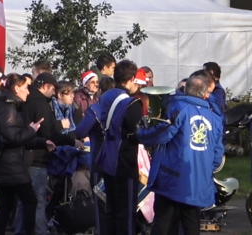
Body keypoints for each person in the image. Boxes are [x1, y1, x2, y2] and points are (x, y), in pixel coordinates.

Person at [137, 75, 223, 235]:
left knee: (163, 223)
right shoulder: (215, 119)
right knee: (192, 225)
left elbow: (162, 134)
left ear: (185, 89)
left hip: (172, 178)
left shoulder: (178, 108)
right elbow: (217, 156)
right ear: (206, 94)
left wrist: (141, 133)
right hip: (197, 182)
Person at [0, 73, 52, 235]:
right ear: (16, 88)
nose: (28, 92)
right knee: (30, 200)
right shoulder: (8, 109)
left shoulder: (6, 106)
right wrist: (31, 130)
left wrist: (42, 141)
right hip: (10, 165)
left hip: (3, 164)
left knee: (6, 204)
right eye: (25, 88)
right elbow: (11, 138)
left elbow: (18, 138)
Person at [19, 72, 76, 235]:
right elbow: (48, 132)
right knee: (38, 200)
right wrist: (63, 131)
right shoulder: (41, 104)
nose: (53, 93)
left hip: (25, 156)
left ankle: (20, 230)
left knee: (24, 200)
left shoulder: (27, 100)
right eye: (52, 89)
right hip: (37, 158)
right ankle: (40, 231)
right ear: (45, 87)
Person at [95, 61, 145, 235]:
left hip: (107, 157)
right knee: (127, 212)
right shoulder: (132, 103)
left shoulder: (105, 96)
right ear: (131, 79)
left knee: (112, 209)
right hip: (124, 160)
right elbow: (138, 133)